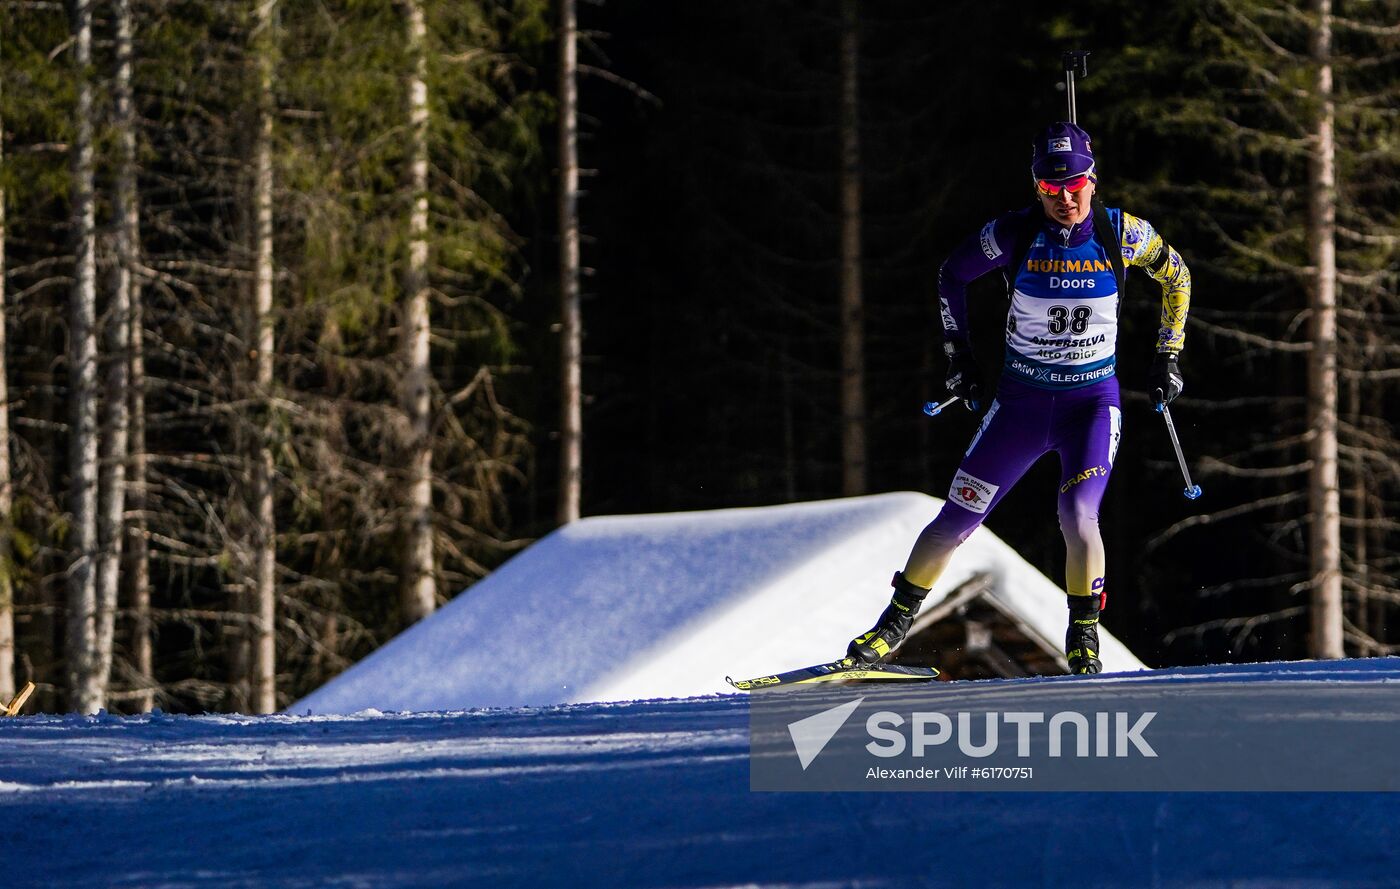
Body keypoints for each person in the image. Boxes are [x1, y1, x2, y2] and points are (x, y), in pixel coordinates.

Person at [847, 121, 1192, 674]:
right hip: (1021, 406)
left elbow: (1177, 275)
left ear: (1093, 180)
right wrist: (959, 355)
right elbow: (951, 276)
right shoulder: (1012, 234)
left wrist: (1167, 353)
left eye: (1074, 185)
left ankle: (1083, 636)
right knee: (957, 518)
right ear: (1036, 188)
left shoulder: (1122, 233)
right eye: (1050, 189)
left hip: (1090, 407)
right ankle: (892, 625)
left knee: (1078, 513)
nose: (1064, 199)